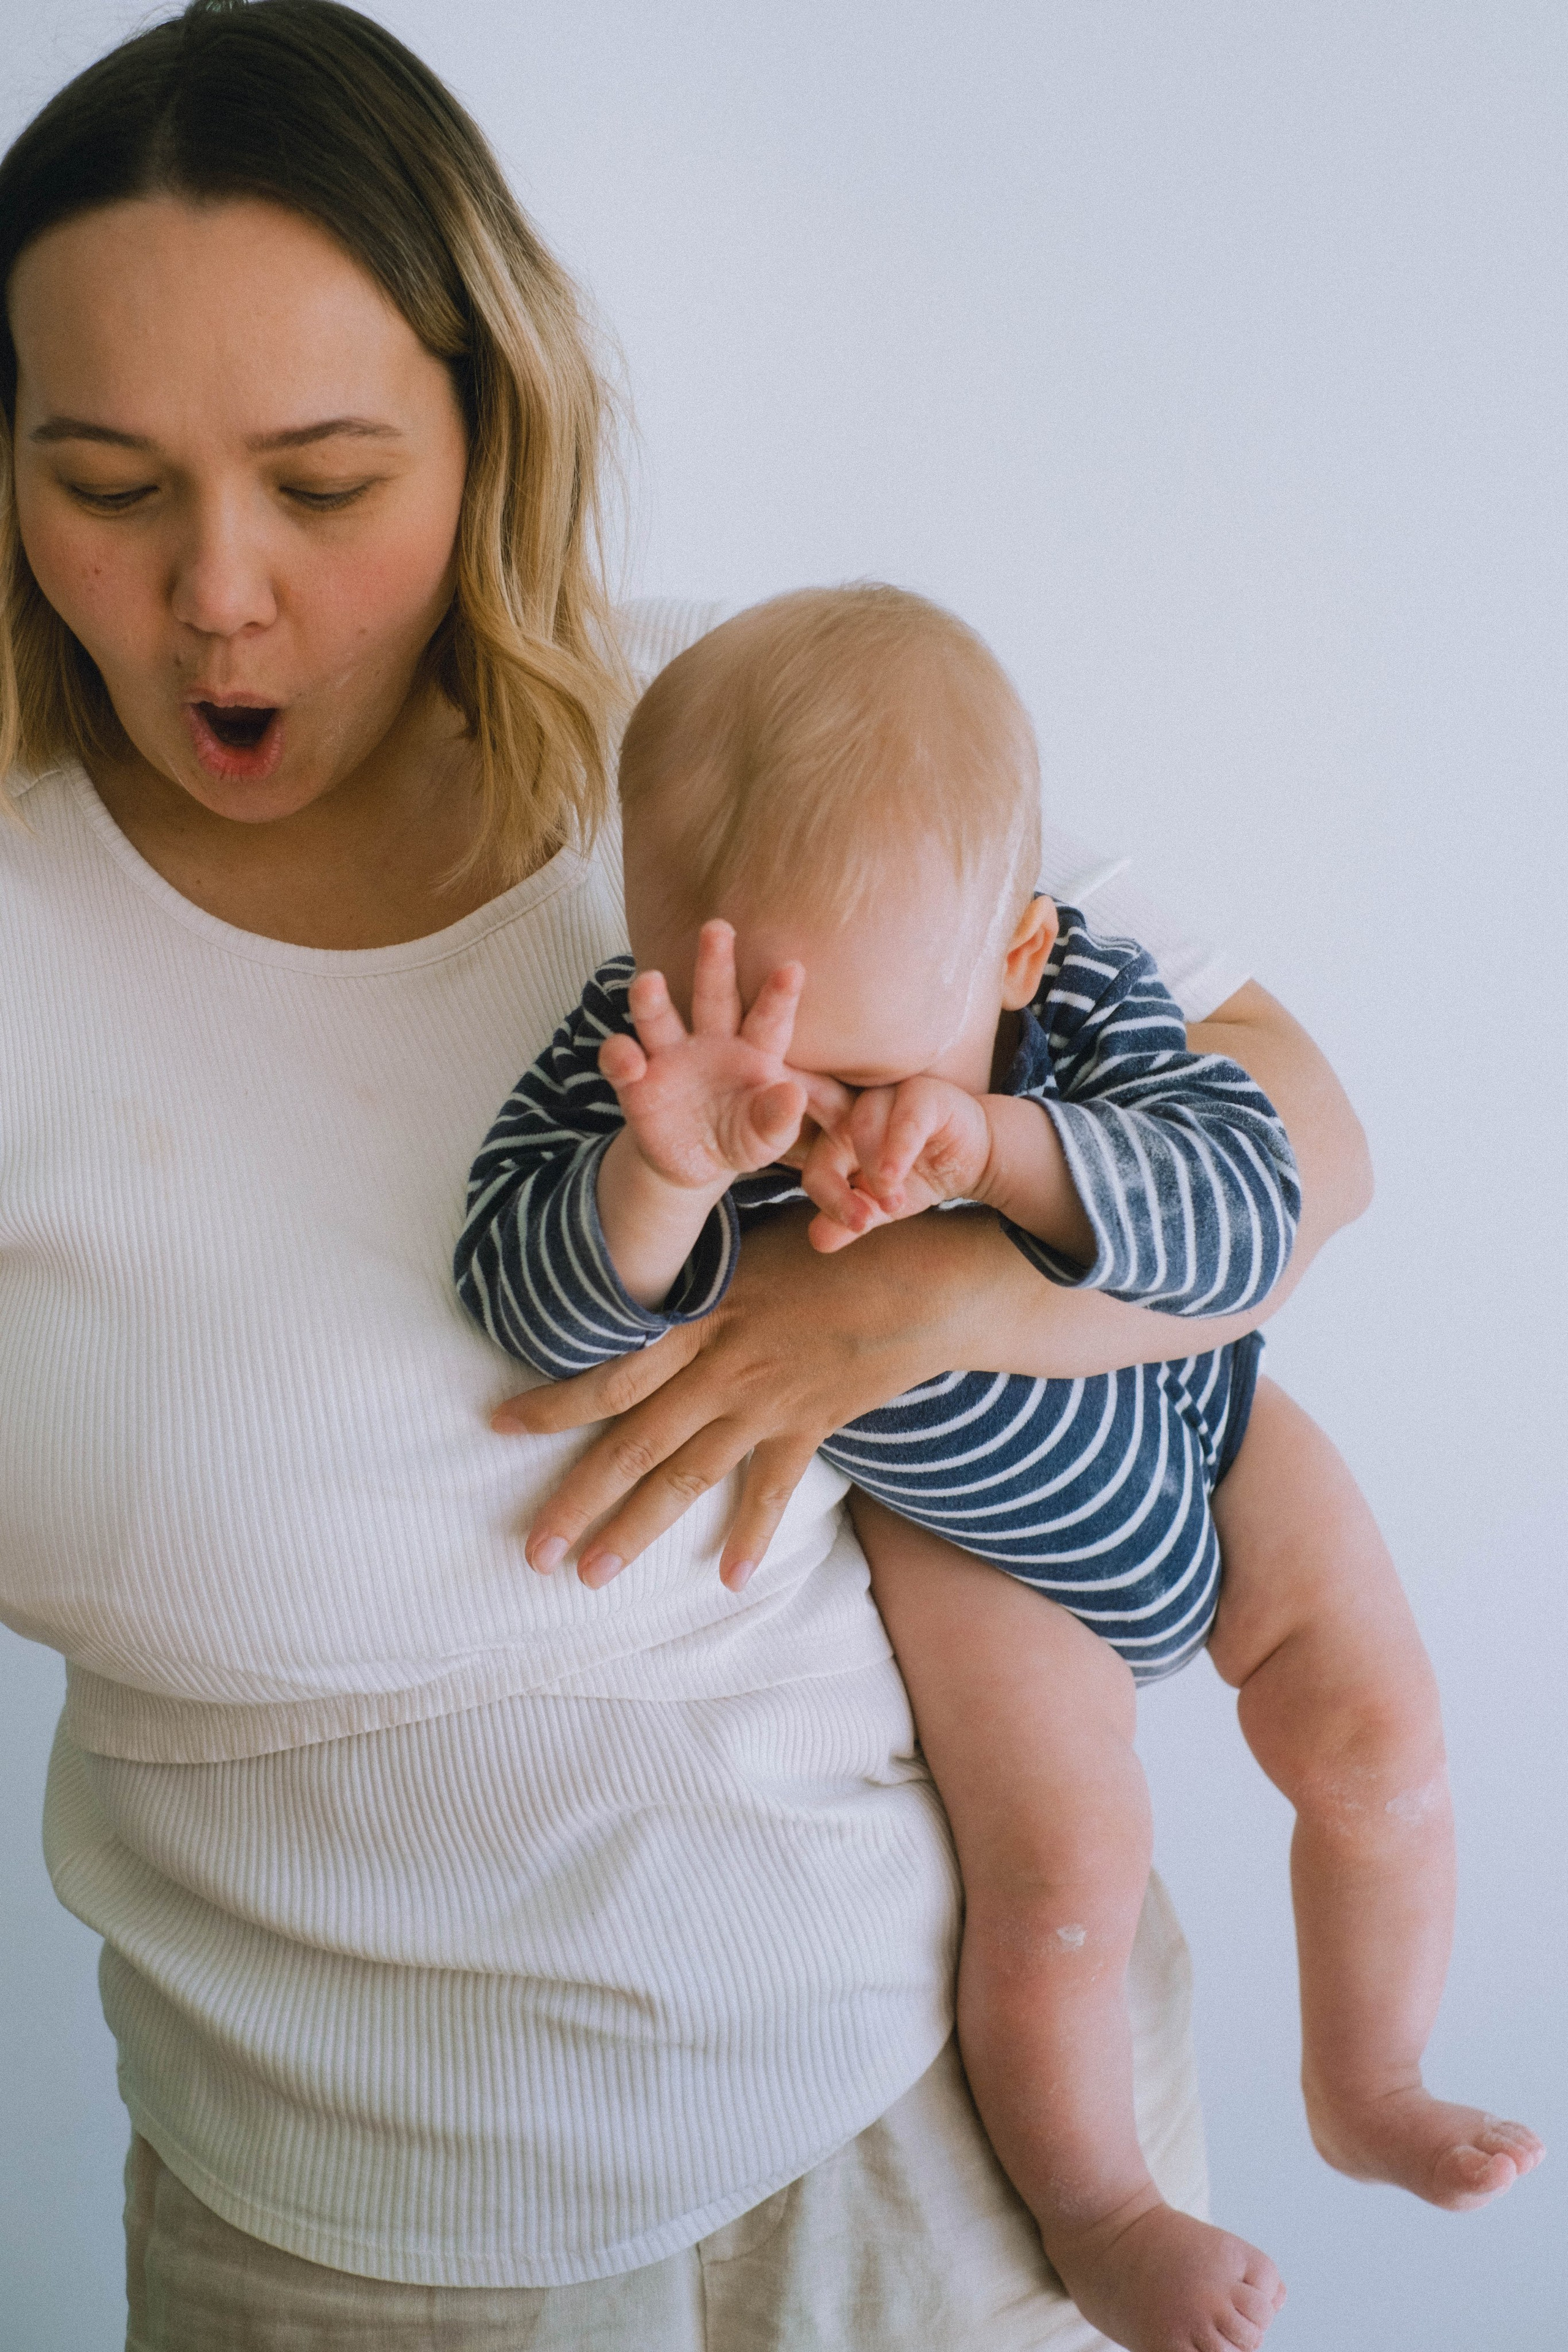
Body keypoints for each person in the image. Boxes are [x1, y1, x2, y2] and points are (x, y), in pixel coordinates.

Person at [0, 4, 1376, 2345]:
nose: (218, 591)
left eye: (324, 484)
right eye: (108, 485)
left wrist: (921, 1300)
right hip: (356, 2235)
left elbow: (1308, 1139)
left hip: (945, 2128)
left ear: (485, 429)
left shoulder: (710, 749)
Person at [453, 586, 1542, 2352]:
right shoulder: (651, 1060)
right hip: (974, 1538)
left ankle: (1370, 2076)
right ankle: (1103, 2207)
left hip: (1211, 1422)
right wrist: (660, 1171)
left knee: (1381, 1743)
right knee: (1062, 1878)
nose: (813, 1140)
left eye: (875, 1077)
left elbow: (1248, 1211)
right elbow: (526, 1300)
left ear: (1018, 959)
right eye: (775, 1086)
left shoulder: (1084, 1000)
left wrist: (1011, 1149)